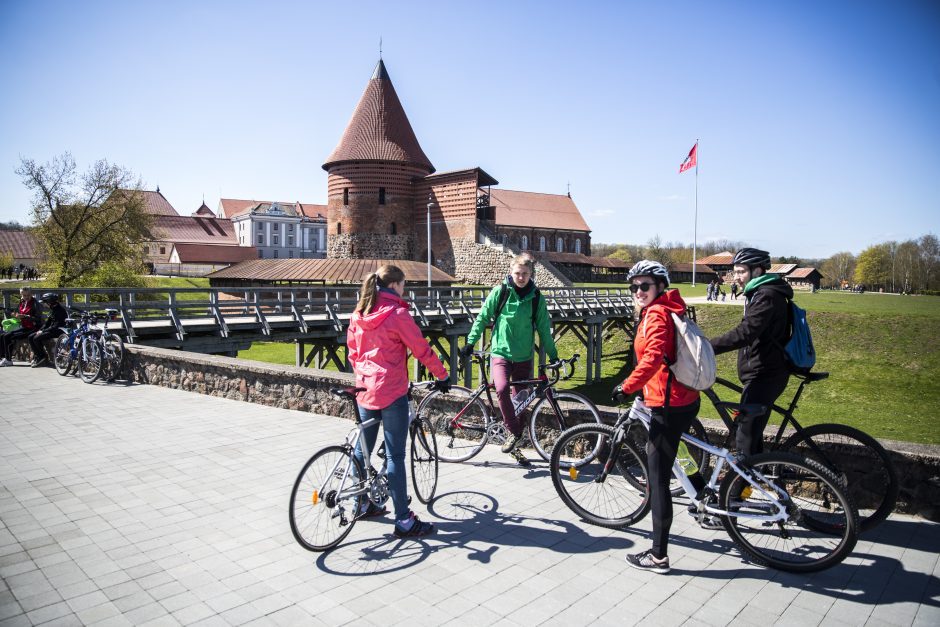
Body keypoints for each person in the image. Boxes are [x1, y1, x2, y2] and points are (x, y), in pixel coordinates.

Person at [346, 264, 450, 538]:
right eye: (404, 285)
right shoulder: (398, 314)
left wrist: (363, 375)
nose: (405, 290)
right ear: (394, 286)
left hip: (364, 389)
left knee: (362, 450)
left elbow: (353, 353)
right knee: (395, 456)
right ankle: (403, 520)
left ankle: (362, 502)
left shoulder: (360, 312)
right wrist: (442, 375)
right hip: (391, 391)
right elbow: (421, 349)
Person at [613, 260, 702, 574]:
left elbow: (651, 357)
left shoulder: (656, 315)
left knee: (658, 480)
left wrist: (627, 386)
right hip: (684, 397)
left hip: (668, 404)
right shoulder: (672, 308)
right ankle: (703, 496)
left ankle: (658, 556)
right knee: (679, 451)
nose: (638, 291)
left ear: (660, 286)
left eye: (645, 285)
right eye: (634, 286)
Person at [461, 253, 559, 467]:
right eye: (517, 273)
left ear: (531, 274)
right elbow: (483, 318)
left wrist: (554, 356)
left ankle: (514, 448)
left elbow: (544, 328)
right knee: (502, 388)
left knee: (521, 404)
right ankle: (514, 433)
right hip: (501, 354)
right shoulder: (501, 292)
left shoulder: (536, 297)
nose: (521, 277)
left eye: (525, 274)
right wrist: (470, 342)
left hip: (524, 357)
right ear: (511, 273)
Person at [709, 248, 793, 457]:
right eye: (735, 272)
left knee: (744, 436)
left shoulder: (767, 295)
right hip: (763, 373)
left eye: (740, 272)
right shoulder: (760, 293)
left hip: (765, 375)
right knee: (749, 433)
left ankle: (738, 487)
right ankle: (751, 480)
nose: (735, 278)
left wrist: (706, 347)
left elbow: (745, 333)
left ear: (757, 270)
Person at [0, 287, 40, 366]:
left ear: (31, 294)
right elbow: (18, 312)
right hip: (24, 326)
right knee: (2, 335)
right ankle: (3, 357)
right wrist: (15, 315)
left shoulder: (35, 303)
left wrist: (25, 316)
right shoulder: (22, 302)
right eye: (24, 295)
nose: (26, 297)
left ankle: (8, 359)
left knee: (8, 336)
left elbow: (38, 319)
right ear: (21, 295)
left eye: (28, 295)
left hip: (33, 328)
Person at [28, 293, 68, 367]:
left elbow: (56, 326)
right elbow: (47, 323)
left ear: (49, 302)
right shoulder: (53, 309)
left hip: (57, 331)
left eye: (44, 302)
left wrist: (43, 331)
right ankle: (38, 356)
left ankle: (43, 357)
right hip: (51, 330)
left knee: (36, 338)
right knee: (30, 336)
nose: (44, 304)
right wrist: (40, 330)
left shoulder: (60, 311)